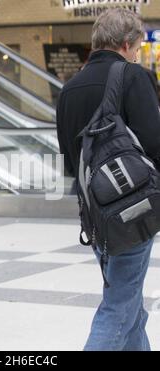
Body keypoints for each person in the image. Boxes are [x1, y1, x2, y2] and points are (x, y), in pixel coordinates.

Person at [57, 8, 160, 351]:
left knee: (130, 305)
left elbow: (69, 163)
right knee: (119, 307)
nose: (135, 53)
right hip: (133, 211)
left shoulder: (69, 89)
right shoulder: (133, 77)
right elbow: (155, 144)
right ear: (126, 43)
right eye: (136, 47)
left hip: (93, 214)